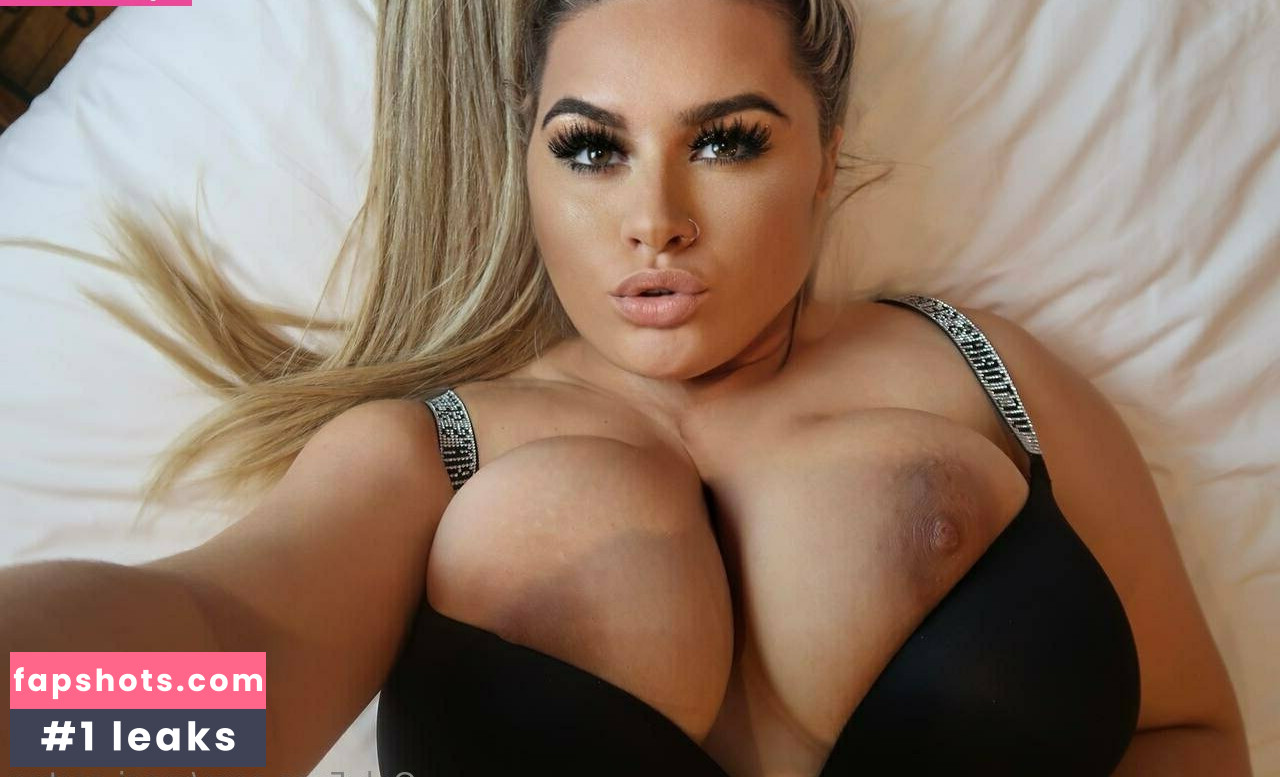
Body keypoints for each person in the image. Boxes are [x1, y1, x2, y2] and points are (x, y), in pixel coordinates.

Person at [0, 0, 1252, 775]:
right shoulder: (431, 453)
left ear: (824, 158)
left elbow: (1187, 731)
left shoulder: (980, 372)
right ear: (530, 171)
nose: (654, 217)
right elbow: (230, 663)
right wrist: (30, 712)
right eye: (592, 149)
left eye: (726, 140)